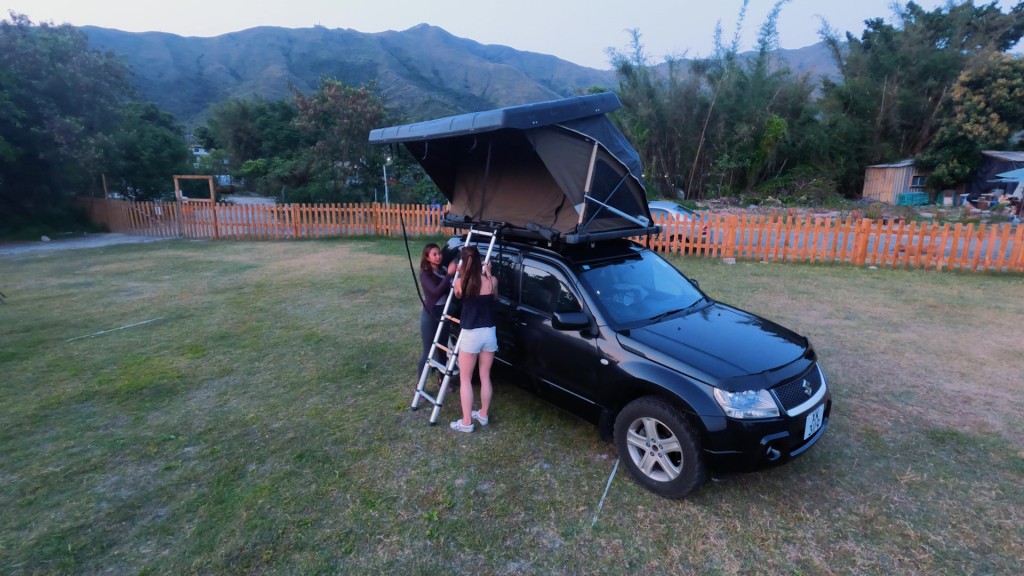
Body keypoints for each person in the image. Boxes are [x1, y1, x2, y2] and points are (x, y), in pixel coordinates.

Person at [450, 245, 498, 433]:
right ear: (480, 261)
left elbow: (457, 295)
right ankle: (483, 415)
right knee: (485, 375)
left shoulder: (461, 282)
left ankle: (467, 422)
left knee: (466, 379)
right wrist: (488, 272)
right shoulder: (491, 280)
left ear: (464, 261)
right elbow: (495, 296)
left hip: (471, 334)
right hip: (489, 332)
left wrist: (461, 273)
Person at [417, 243, 452, 384]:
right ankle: (419, 386)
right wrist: (449, 275)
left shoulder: (442, 270)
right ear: (427, 257)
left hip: (444, 313)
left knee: (443, 348)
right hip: (431, 314)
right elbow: (436, 292)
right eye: (434, 254)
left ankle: (441, 380)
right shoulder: (425, 274)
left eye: (439, 253)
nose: (438, 257)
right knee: (428, 352)